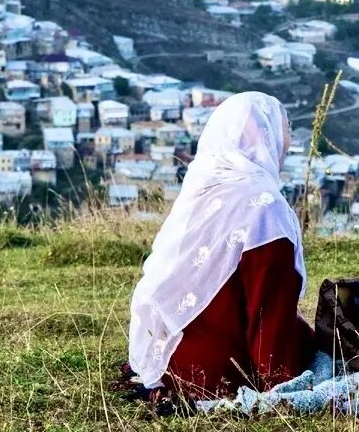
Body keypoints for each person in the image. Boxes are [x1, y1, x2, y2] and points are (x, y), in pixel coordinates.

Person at [128, 91, 313, 399]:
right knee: (311, 342)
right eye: (283, 132)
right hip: (216, 374)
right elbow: (269, 313)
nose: (287, 144)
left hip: (169, 362)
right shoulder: (264, 207)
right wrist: (281, 383)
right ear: (266, 138)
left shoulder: (203, 191)